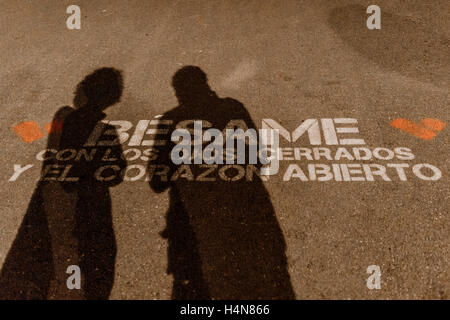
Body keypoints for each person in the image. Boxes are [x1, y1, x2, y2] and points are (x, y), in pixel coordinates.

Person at [149, 66, 295, 299]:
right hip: (246, 219)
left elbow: (157, 181)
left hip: (193, 224)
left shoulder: (171, 120)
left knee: (195, 292)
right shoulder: (233, 108)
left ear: (178, 93)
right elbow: (258, 159)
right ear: (207, 85)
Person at [0, 67, 126, 300]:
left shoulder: (63, 118)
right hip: (90, 207)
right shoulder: (104, 130)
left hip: (55, 202)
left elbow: (53, 156)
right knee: (92, 264)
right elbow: (117, 173)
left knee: (60, 263)